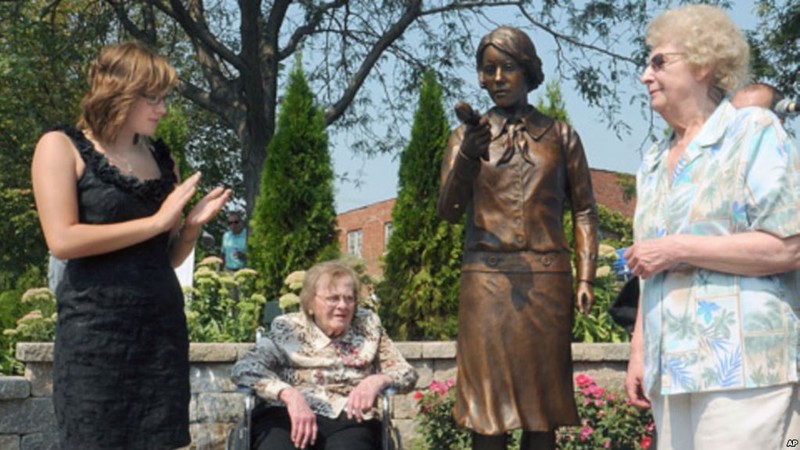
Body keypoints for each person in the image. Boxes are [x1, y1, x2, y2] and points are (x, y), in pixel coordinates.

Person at [31, 41, 231, 449]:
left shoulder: (161, 158)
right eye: (152, 98)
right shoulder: (60, 147)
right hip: (95, 337)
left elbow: (167, 255)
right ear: (118, 93)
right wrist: (156, 220)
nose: (162, 109)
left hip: (159, 334)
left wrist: (189, 227)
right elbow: (63, 239)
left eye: (164, 98)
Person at [623, 5, 800, 449]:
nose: (646, 75)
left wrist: (679, 247)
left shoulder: (753, 131)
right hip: (671, 371)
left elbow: (788, 247)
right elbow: (650, 266)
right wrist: (639, 352)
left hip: (742, 368)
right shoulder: (651, 161)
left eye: (659, 61)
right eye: (646, 63)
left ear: (702, 64)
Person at [437, 26, 598, 450]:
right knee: (487, 413)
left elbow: (583, 209)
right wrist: (469, 155)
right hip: (485, 284)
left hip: (547, 282)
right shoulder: (463, 138)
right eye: (489, 70)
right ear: (480, 78)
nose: (498, 78)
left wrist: (586, 278)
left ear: (527, 71)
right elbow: (448, 210)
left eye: (508, 67)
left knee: (540, 410)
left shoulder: (560, 136)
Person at [231, 260, 418, 450]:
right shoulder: (288, 329)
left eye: (349, 298)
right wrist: (288, 395)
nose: (343, 306)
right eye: (333, 298)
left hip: (352, 419)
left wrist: (377, 380)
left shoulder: (368, 325)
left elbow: (406, 373)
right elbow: (244, 369)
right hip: (287, 415)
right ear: (310, 303)